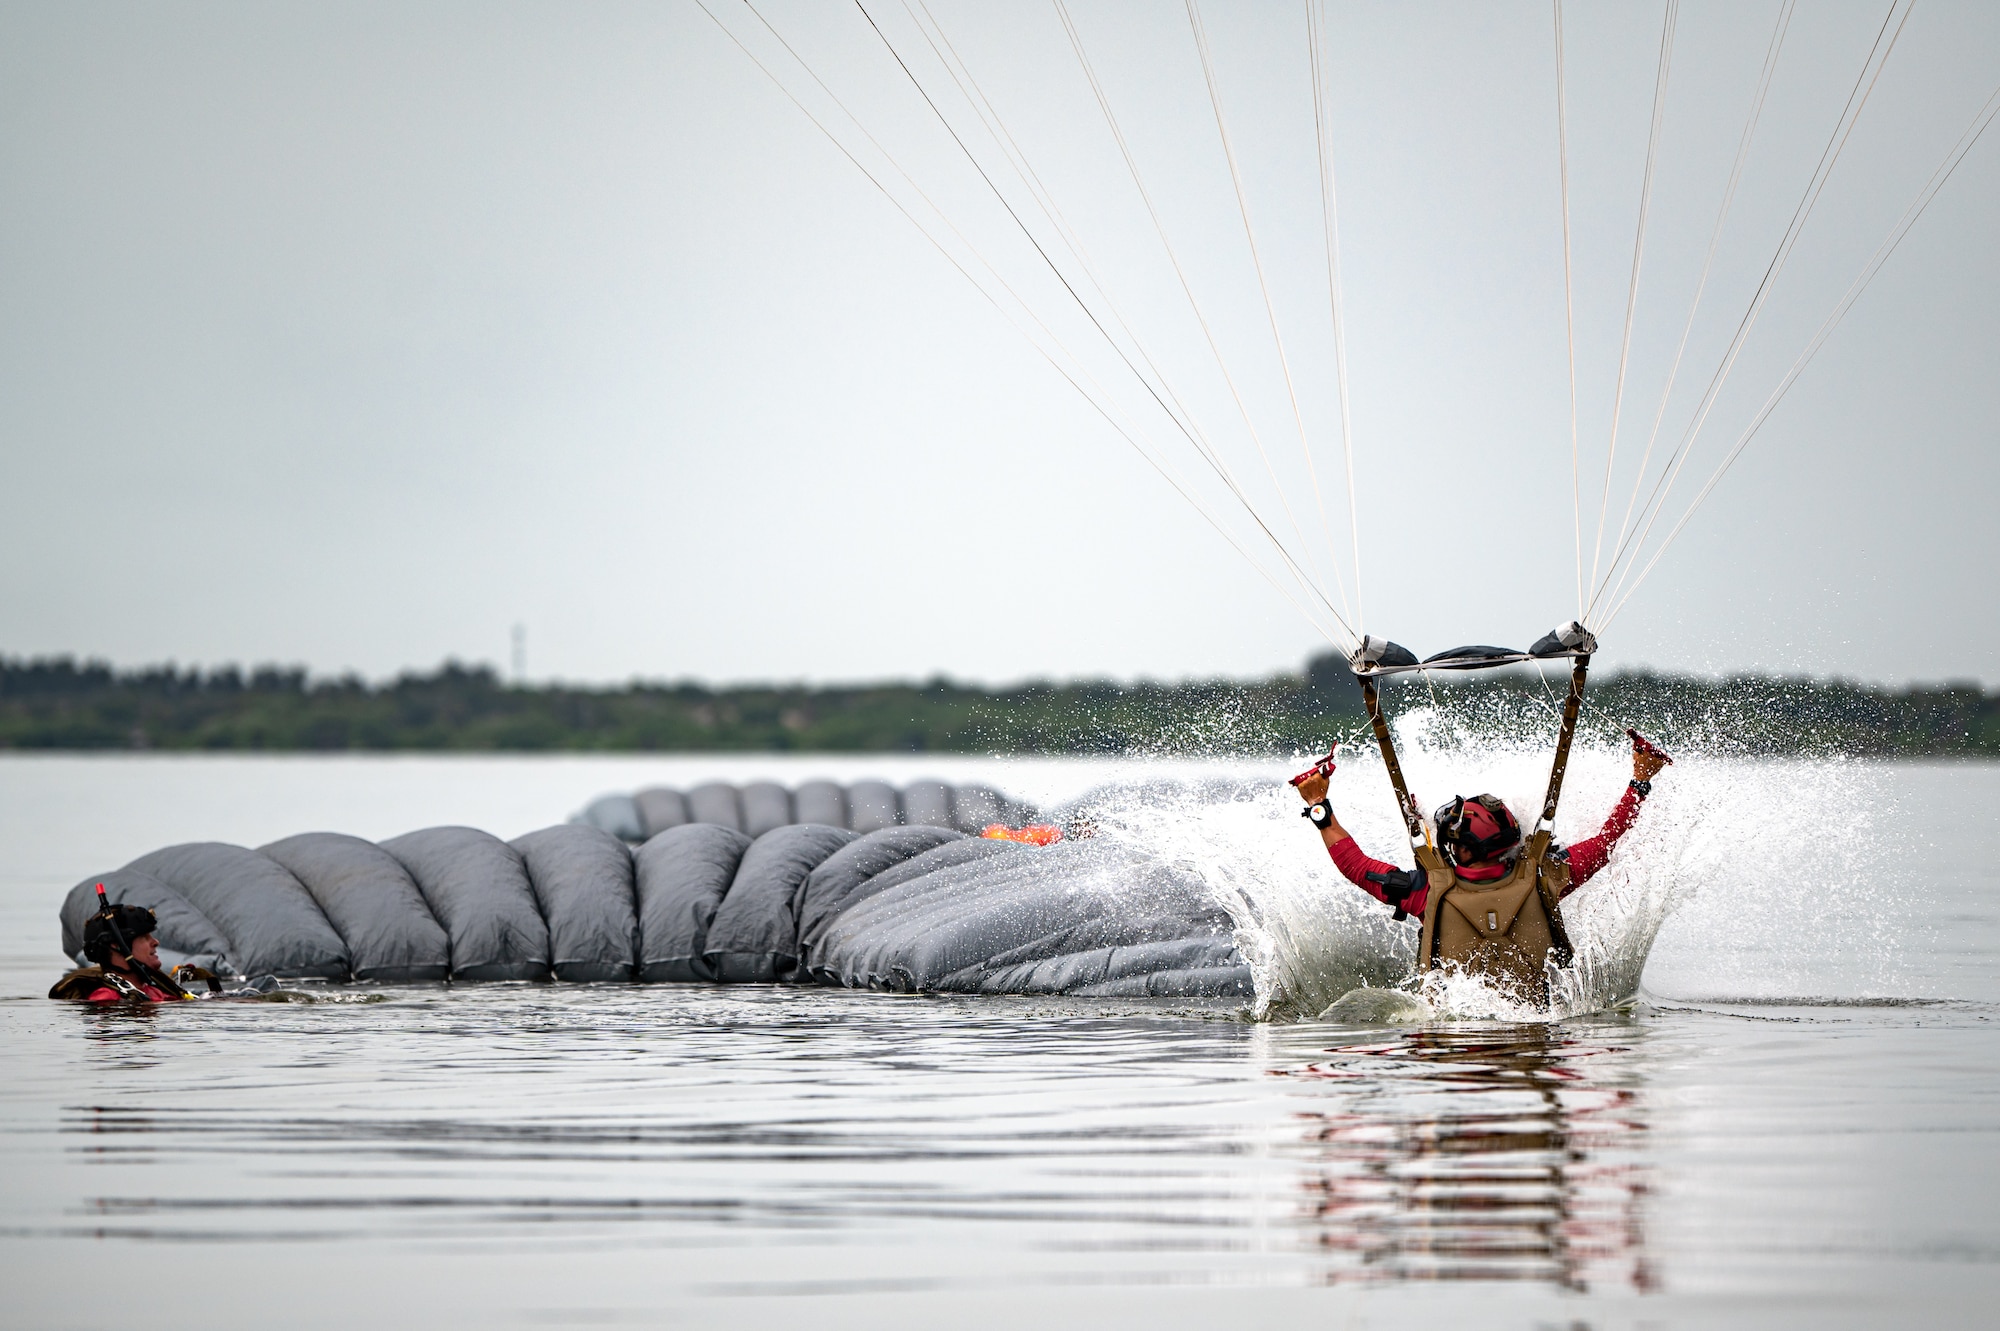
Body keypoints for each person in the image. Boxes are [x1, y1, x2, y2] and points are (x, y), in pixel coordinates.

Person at [1293, 736, 1670, 992]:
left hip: (1452, 1035)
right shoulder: (1546, 877)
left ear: (1465, 851)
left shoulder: (1425, 892)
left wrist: (1320, 810)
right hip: (1535, 1032)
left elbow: (1355, 866)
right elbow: (1606, 843)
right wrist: (1639, 782)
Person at [48, 903, 199, 1002]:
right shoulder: (107, 998)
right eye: (144, 937)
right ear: (117, 946)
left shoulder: (157, 988)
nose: (155, 942)